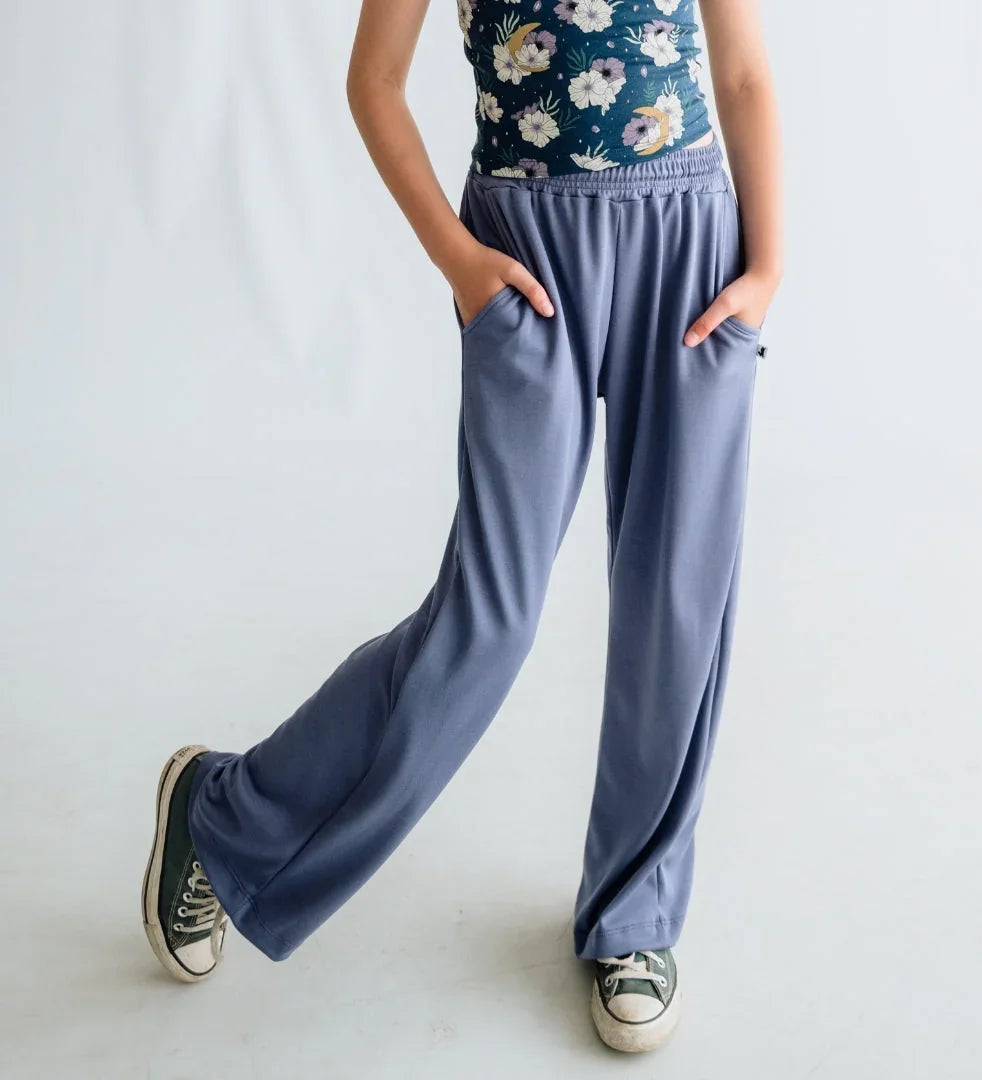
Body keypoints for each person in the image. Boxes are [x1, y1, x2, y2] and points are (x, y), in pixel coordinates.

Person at [140, 0, 782, 1055]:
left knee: (679, 597)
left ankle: (634, 917)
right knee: (489, 623)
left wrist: (769, 268)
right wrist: (457, 257)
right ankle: (226, 811)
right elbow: (373, 82)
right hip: (523, 256)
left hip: (693, 246)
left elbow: (745, 72)